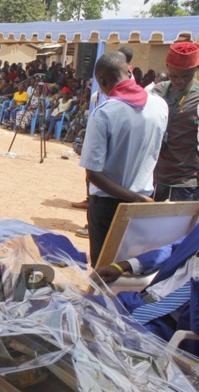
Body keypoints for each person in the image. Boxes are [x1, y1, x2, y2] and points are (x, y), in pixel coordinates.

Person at [79, 51, 167, 266]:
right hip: (144, 202)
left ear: (102, 81)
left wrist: (133, 199)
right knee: (129, 268)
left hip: (109, 207)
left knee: (103, 272)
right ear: (129, 72)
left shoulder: (104, 113)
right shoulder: (160, 106)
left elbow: (94, 174)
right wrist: (139, 199)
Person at [95, 224, 199, 355]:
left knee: (103, 347)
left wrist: (197, 276)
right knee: (71, 312)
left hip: (169, 328)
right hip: (137, 301)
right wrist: (125, 266)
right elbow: (176, 249)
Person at [151, 42, 199, 202]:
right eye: (174, 75)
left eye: (186, 76)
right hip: (154, 175)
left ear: (196, 69)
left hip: (185, 180)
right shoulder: (157, 92)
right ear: (167, 67)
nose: (179, 81)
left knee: (180, 226)